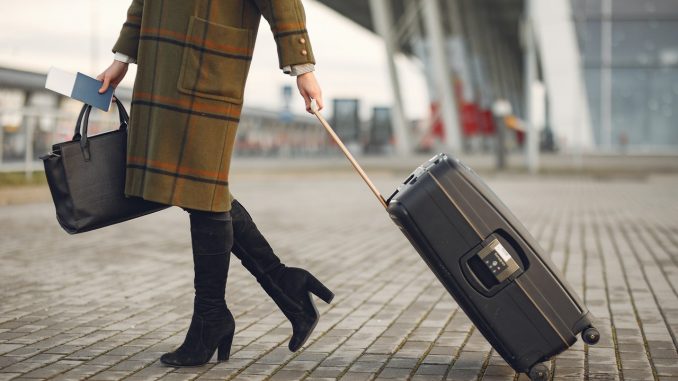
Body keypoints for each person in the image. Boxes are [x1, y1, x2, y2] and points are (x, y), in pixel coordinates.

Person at [97, 0, 334, 368]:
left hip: (208, 64)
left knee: (203, 190)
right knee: (199, 190)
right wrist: (122, 57)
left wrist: (303, 68)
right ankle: (284, 287)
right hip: (160, 64)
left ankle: (214, 317)